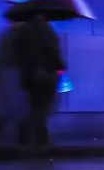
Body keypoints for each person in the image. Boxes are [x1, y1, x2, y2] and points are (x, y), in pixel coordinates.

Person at [13, 14, 65, 147]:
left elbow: (18, 53)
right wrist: (60, 66)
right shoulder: (46, 30)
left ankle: (35, 137)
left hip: (29, 75)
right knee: (42, 107)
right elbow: (53, 52)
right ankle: (37, 136)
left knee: (35, 105)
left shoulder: (23, 31)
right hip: (45, 73)